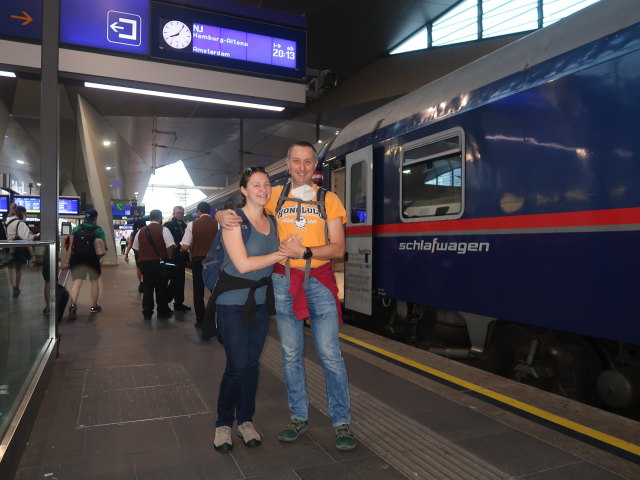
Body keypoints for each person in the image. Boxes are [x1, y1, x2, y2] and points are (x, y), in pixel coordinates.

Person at [216, 141, 356, 451]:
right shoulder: (274, 195)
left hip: (319, 282)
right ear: (288, 163)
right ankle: (298, 417)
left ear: (315, 164)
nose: (302, 167)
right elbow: (245, 205)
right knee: (290, 354)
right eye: (297, 161)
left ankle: (341, 422)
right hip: (282, 282)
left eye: (308, 161)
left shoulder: (330, 199)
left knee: (330, 355)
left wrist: (305, 251)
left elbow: (338, 247)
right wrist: (219, 214)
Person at [212, 167, 284, 452]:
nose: (263, 190)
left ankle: (245, 420)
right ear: (243, 190)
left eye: (266, 185)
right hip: (232, 302)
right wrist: (282, 253)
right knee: (237, 364)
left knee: (253, 364)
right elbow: (242, 265)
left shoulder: (274, 221)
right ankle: (222, 424)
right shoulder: (232, 220)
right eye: (256, 185)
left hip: (261, 301)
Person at [132, 209, 175, 320]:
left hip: (145, 265)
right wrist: (169, 258)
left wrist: (143, 256)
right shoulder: (164, 229)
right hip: (160, 264)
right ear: (160, 218)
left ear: (150, 218)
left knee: (147, 288)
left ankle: (147, 312)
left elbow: (135, 248)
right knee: (161, 288)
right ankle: (162, 311)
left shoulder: (141, 231)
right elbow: (170, 246)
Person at [62, 209, 105, 319]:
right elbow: (103, 247)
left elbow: (71, 247)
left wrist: (67, 261)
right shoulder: (98, 230)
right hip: (92, 259)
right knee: (94, 282)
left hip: (77, 259)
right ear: (95, 218)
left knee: (77, 283)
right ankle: (94, 306)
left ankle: (73, 305)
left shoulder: (76, 229)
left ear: (85, 218)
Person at [180, 202, 217, 327]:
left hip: (198, 261)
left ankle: (201, 320)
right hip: (214, 261)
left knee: (198, 291)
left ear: (198, 211)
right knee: (215, 289)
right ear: (210, 211)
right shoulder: (217, 224)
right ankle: (215, 318)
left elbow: (184, 246)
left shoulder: (192, 225)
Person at [5, 203, 37, 298]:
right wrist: (32, 255)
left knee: (11, 270)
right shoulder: (20, 223)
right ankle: (16, 287)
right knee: (18, 270)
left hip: (8, 248)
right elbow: (27, 239)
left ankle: (13, 286)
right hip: (18, 249)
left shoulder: (7, 221)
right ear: (22, 213)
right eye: (25, 213)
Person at [164, 206, 191, 312]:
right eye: (177, 213)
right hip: (172, 257)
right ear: (173, 214)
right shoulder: (168, 225)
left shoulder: (186, 226)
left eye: (181, 213)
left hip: (182, 258)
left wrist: (188, 258)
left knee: (180, 281)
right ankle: (165, 300)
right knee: (175, 280)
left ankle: (179, 303)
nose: (179, 215)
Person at [124, 220, 146, 293]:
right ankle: (145, 282)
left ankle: (141, 283)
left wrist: (126, 254)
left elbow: (130, 244)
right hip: (147, 253)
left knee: (139, 268)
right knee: (146, 269)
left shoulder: (134, 233)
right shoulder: (147, 231)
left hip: (137, 253)